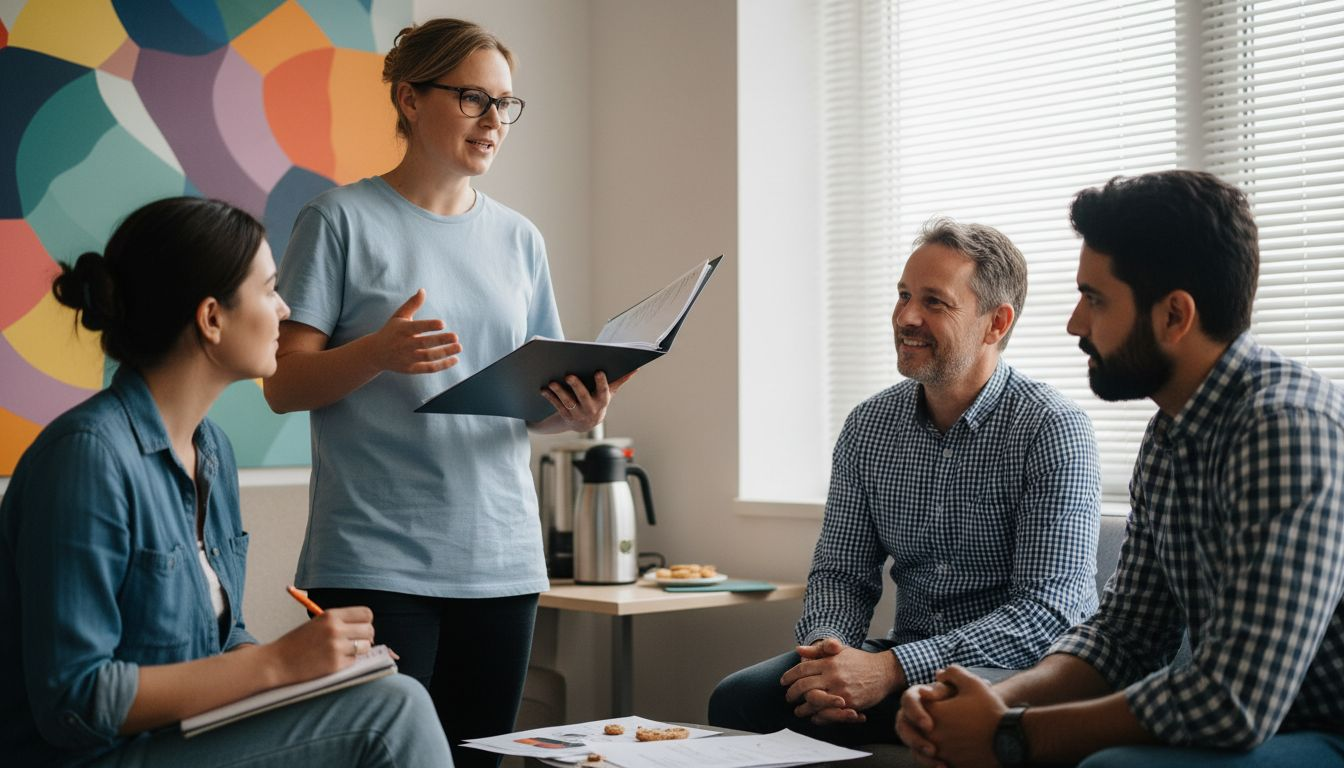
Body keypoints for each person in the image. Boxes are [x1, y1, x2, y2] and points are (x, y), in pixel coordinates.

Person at [262, 19, 622, 765]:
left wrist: (574, 412)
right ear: (410, 99)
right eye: (473, 99)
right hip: (372, 560)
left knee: (480, 759)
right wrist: (374, 353)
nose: (494, 122)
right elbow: (282, 383)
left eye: (505, 105)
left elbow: (534, 395)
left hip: (501, 559)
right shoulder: (339, 220)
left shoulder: (521, 239)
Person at [897, 170, 1344, 768]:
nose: (1075, 324)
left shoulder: (1286, 428)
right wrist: (983, 705)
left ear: (1174, 316)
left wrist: (1009, 732)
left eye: (1096, 298)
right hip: (1262, 723)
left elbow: (1233, 702)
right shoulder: (1169, 434)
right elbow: (1124, 638)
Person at [0, 197, 452, 767]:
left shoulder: (211, 450)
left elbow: (224, 638)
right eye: (269, 290)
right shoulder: (86, 460)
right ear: (212, 318)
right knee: (395, 711)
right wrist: (279, 664)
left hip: (178, 741)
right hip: (93, 757)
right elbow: (76, 700)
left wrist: (313, 673)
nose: (286, 309)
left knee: (381, 692)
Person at [708, 218, 1101, 747]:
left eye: (934, 302)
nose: (905, 317)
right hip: (898, 656)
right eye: (902, 296)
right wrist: (828, 659)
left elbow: (1047, 612)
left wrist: (891, 670)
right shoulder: (868, 426)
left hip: (1010, 673)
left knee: (930, 715)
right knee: (739, 700)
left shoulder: (1052, 428)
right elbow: (841, 574)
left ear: (996, 323)